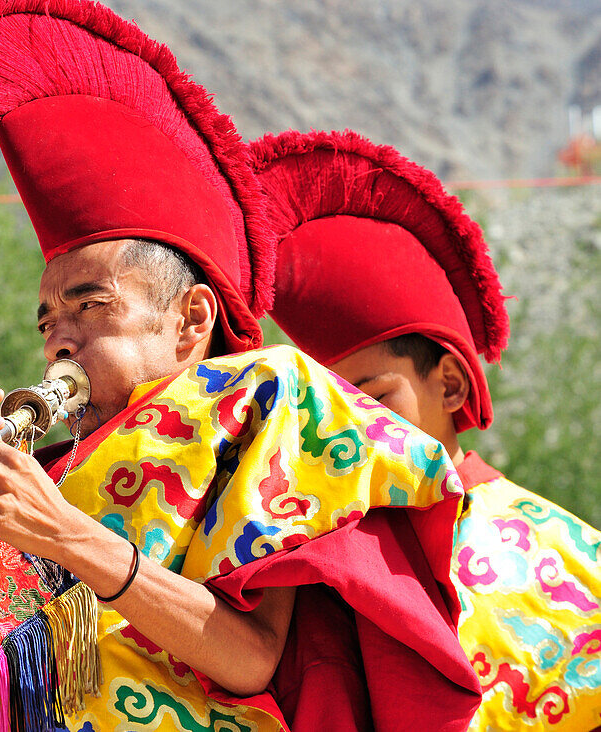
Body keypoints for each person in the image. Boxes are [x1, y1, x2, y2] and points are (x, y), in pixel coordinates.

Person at [0, 1, 483, 729]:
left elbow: (252, 658)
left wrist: (63, 534)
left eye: (91, 308)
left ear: (191, 319)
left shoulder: (268, 402)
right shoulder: (53, 468)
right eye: (47, 321)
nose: (61, 340)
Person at [254, 128, 601, 730]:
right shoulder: (301, 548)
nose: (351, 433)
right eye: (325, 411)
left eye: (372, 396)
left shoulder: (574, 561)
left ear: (449, 385)